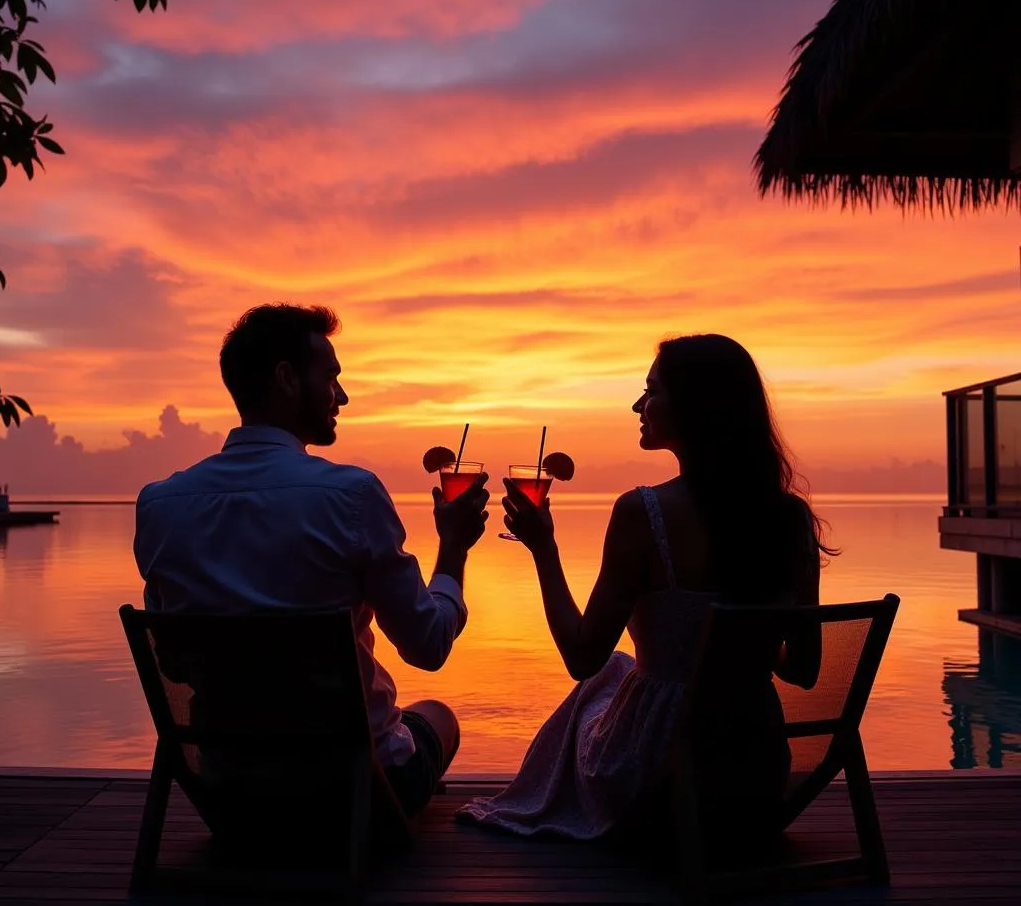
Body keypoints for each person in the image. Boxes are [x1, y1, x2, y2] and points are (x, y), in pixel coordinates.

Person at [457, 333, 831, 848]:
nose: (638, 404)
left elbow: (581, 656)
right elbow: (804, 668)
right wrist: (738, 651)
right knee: (618, 670)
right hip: (755, 782)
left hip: (660, 784)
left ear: (693, 406)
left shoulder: (643, 514)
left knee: (599, 678)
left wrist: (543, 548)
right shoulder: (789, 520)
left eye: (651, 391)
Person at [134, 303, 489, 819]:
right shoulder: (351, 496)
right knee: (436, 716)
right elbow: (428, 646)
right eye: (331, 378)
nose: (342, 396)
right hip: (349, 799)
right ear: (286, 379)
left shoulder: (160, 504)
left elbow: (174, 662)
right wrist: (453, 548)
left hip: (232, 800)